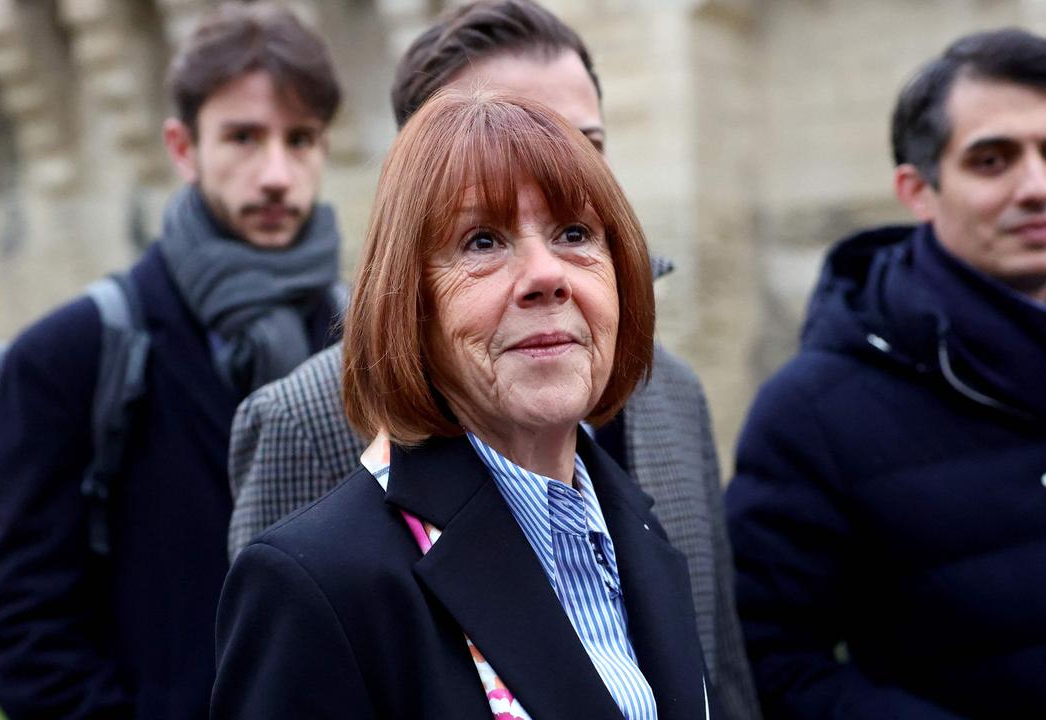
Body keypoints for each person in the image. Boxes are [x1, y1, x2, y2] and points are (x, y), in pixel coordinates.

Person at [225, 2, 759, 716]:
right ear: (409, 298)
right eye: (482, 241)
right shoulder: (310, 581)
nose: (545, 274)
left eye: (575, 230)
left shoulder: (634, 528)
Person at [726, 27, 1046, 720]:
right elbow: (768, 663)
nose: (1038, 187)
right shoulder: (811, 413)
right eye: (992, 160)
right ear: (919, 191)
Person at [0, 4, 344, 718]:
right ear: (182, 148)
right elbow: (21, 630)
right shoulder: (72, 353)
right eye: (243, 137)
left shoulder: (366, 340)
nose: (276, 173)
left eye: (300, 140)